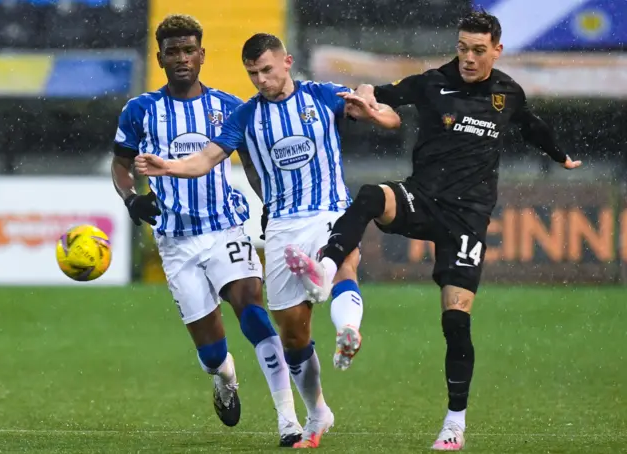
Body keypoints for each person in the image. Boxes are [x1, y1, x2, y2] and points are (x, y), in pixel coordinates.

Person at [283, 10, 582, 451]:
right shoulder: (432, 82)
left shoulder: (507, 93)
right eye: (462, 48)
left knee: (456, 323)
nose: (468, 58)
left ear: (496, 51)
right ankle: (326, 268)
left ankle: (454, 424)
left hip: (467, 221)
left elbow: (531, 125)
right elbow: (383, 94)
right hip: (422, 200)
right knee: (369, 195)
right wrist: (364, 94)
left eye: (478, 50)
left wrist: (560, 156)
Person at [134, 32, 400, 448]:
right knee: (293, 336)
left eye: (267, 70)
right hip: (280, 227)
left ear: (288, 61)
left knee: (344, 262)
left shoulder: (323, 96)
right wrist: (166, 166)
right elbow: (205, 159)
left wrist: (372, 109)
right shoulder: (245, 116)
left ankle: (349, 329)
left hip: (330, 209)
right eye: (253, 73)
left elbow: (390, 119)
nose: (261, 80)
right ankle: (317, 412)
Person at [110, 15, 304, 447]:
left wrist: (271, 206)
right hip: (176, 242)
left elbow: (253, 164)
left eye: (188, 50)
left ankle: (289, 420)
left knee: (253, 310)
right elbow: (121, 164)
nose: (181, 58)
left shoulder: (230, 107)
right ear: (160, 58)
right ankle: (224, 378)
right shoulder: (141, 110)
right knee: (213, 354)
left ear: (202, 55)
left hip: (225, 228)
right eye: (172, 52)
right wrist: (131, 199)